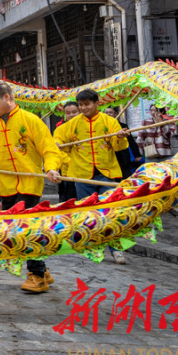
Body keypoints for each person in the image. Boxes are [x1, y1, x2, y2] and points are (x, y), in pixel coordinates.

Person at [0, 82, 63, 293]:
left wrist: (52, 168)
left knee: (27, 227)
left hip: (29, 182)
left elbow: (49, 148)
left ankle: (37, 274)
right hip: (7, 183)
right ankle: (43, 270)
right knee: (13, 227)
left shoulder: (30, 120)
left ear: (7, 97)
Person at [54, 89, 131, 264]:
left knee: (111, 213)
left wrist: (120, 138)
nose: (83, 108)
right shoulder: (72, 125)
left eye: (87, 104)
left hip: (107, 173)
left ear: (97, 103)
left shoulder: (109, 122)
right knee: (88, 213)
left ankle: (116, 250)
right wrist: (58, 144)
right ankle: (92, 246)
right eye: (80, 105)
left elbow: (119, 147)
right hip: (82, 175)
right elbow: (58, 140)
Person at [54, 101, 81, 202]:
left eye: (74, 112)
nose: (71, 115)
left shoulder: (87, 127)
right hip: (68, 171)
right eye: (68, 113)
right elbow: (57, 147)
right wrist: (71, 162)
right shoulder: (60, 129)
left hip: (86, 171)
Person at [105, 106, 142, 177]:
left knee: (125, 174)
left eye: (110, 112)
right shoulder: (103, 126)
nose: (108, 114)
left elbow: (131, 141)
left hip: (122, 155)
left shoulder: (123, 126)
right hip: (109, 156)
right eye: (106, 112)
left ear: (115, 113)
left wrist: (137, 155)